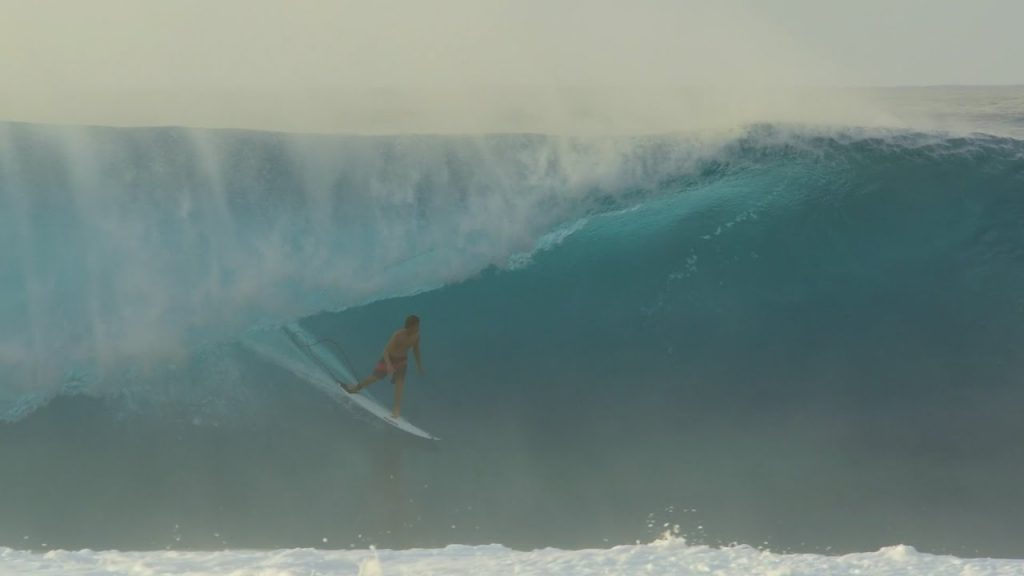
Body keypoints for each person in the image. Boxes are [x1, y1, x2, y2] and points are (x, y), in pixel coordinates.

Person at [344, 315, 423, 418]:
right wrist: (389, 365)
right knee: (374, 377)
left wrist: (419, 365)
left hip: (402, 361)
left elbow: (416, 350)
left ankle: (396, 410)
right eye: (416, 326)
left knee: (400, 384)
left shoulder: (416, 335)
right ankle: (356, 388)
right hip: (389, 358)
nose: (418, 328)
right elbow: (385, 351)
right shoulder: (398, 335)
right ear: (410, 326)